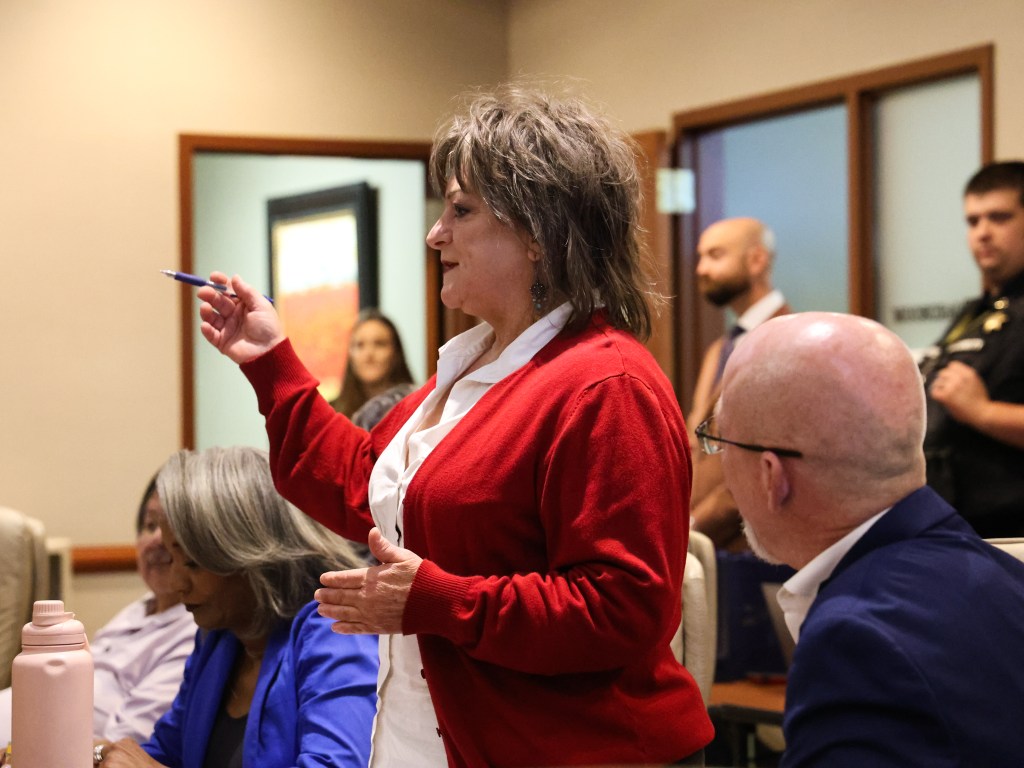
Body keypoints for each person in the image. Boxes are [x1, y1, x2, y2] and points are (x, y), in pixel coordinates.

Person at [195, 85, 713, 767]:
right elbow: (361, 483)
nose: (436, 232)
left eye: (461, 210)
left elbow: (622, 608)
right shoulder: (470, 368)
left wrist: (440, 602)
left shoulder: (606, 384)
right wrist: (271, 363)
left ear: (538, 232)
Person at [701, 311, 1024, 767]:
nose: (725, 481)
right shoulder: (1005, 575)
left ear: (772, 476)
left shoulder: (854, 641)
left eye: (719, 443)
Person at [98, 446, 378, 768]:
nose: (177, 583)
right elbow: (163, 754)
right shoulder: (220, 639)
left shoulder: (336, 632)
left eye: (192, 563)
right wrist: (103, 755)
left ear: (252, 556)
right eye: (173, 560)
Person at [0, 476, 196, 745]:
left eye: (172, 529)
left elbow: (126, 742)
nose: (157, 540)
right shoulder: (139, 608)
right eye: (150, 525)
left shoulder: (194, 629)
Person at [920, 160, 1024, 537]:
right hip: (957, 529)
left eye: (999, 217)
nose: (982, 233)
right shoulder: (975, 312)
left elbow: (974, 408)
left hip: (1012, 535)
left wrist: (984, 412)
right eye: (973, 221)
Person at [688, 217, 791, 551]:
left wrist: (690, 530)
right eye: (700, 257)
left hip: (752, 549)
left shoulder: (785, 340)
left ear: (757, 260)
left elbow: (766, 459)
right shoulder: (719, 349)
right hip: (708, 552)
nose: (701, 268)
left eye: (715, 255)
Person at [329, 308, 415, 426]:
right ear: (350, 354)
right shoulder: (331, 414)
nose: (369, 354)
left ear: (395, 352)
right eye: (360, 345)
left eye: (379, 344)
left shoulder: (418, 407)